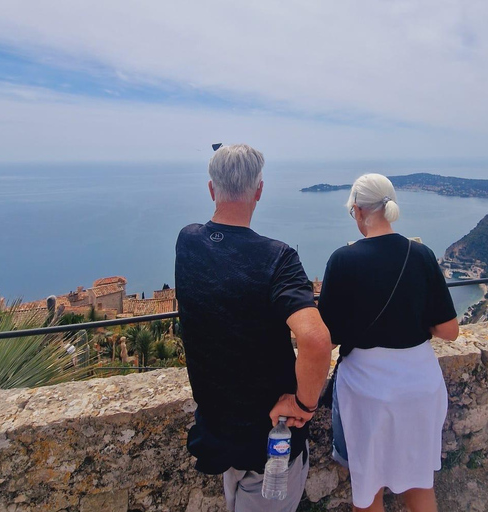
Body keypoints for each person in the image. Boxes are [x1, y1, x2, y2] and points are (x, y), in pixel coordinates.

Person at [175, 144, 332, 512]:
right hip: (269, 438)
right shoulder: (277, 258)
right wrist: (305, 404)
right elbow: (315, 339)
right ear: (259, 191)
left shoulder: (187, 240)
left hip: (217, 432)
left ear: (212, 190)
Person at [318, 173, 459, 512]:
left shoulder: (343, 260)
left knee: (368, 492)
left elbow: (328, 338)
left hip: (368, 393)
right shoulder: (421, 254)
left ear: (357, 210)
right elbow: (450, 330)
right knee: (419, 484)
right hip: (420, 388)